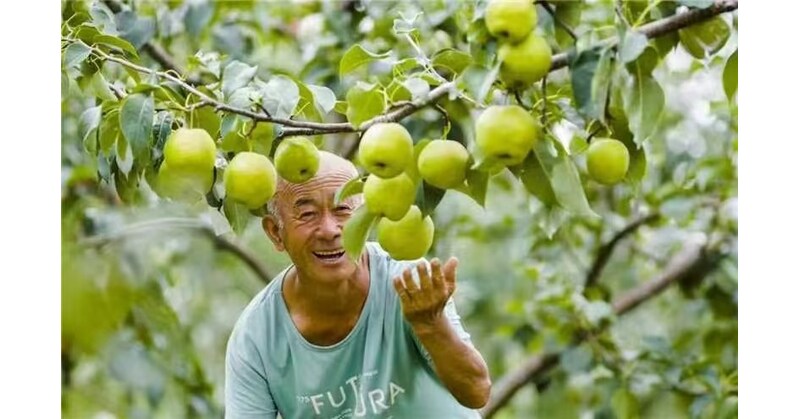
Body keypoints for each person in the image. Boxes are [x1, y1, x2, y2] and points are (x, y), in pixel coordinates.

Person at [224, 151, 491, 418]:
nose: (329, 230)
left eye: (342, 209)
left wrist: (430, 325)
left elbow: (477, 392)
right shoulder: (255, 338)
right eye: (307, 214)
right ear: (275, 232)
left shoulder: (408, 283)